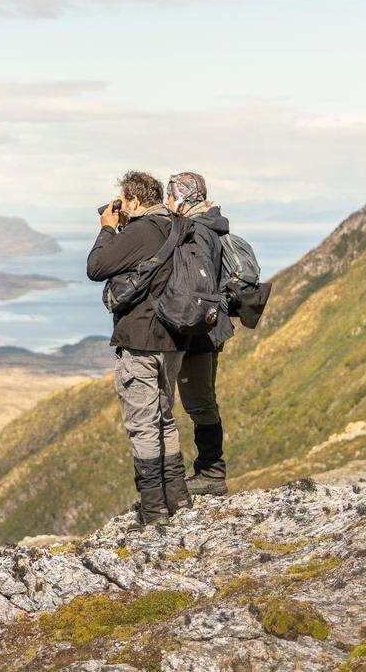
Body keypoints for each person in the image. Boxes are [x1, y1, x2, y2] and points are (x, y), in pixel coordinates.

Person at [86, 171, 191, 528]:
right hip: (175, 339)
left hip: (141, 339)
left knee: (142, 425)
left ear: (132, 201)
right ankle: (178, 499)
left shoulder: (141, 231)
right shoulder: (176, 226)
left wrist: (106, 229)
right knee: (164, 417)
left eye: (122, 201)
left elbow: (96, 267)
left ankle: (153, 510)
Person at [165, 172, 233, 496]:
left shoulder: (196, 231)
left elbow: (196, 286)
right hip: (207, 325)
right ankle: (209, 470)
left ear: (184, 197)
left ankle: (211, 472)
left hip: (199, 330)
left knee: (199, 401)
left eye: (171, 195)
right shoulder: (209, 226)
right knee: (202, 399)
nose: (167, 203)